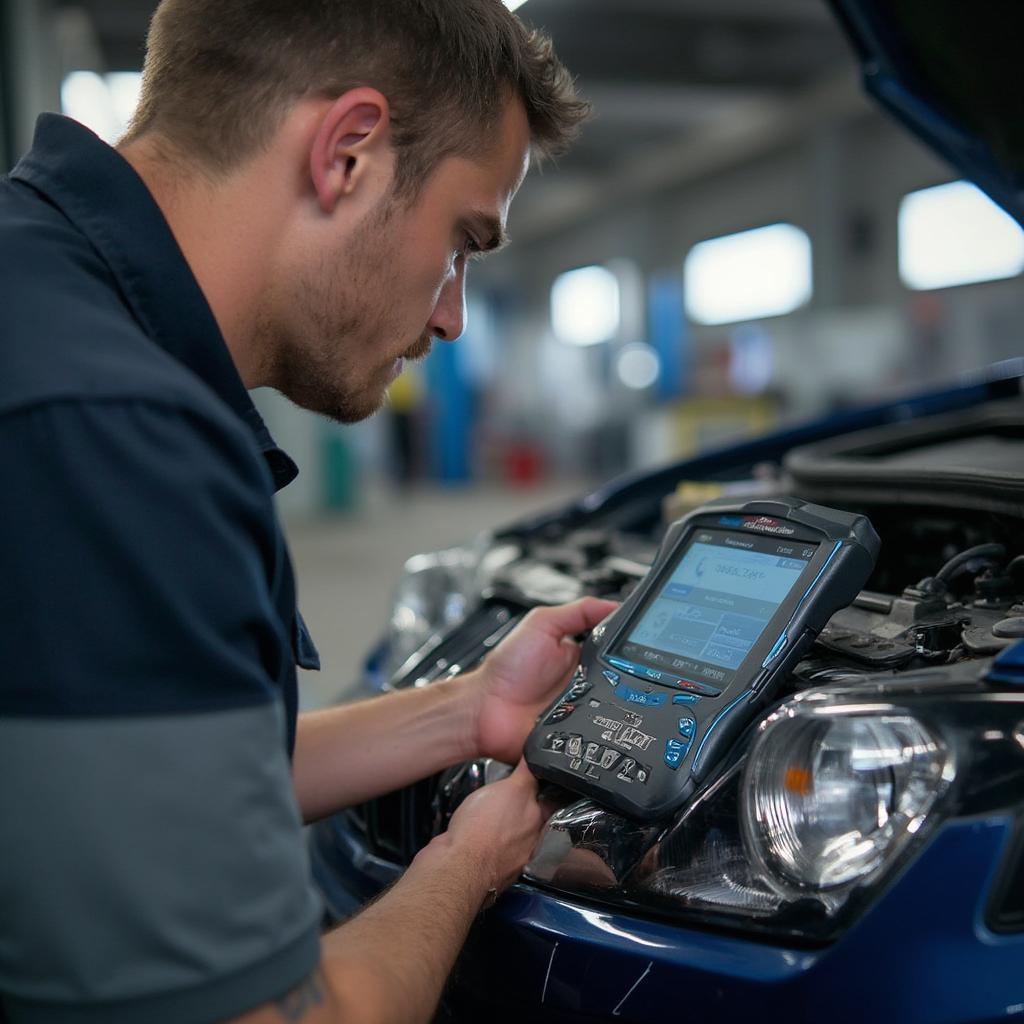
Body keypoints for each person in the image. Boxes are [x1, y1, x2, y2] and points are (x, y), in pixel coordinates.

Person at [0, 2, 610, 1022]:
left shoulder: (44, 302)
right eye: (463, 240)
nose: (451, 313)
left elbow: (163, 781)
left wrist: (468, 709)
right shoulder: (117, 439)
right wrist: (470, 861)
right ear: (349, 153)